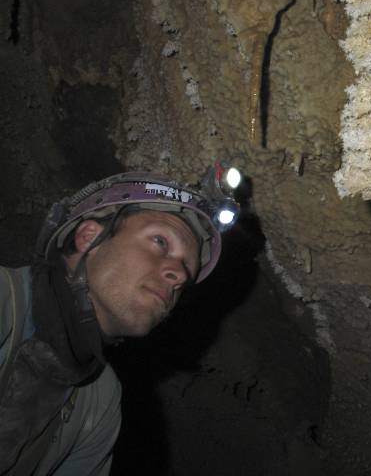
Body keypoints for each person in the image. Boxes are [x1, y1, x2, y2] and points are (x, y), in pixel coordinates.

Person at [0, 166, 239, 475]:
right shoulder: (5, 300)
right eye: (160, 242)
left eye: (188, 270)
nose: (179, 275)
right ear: (90, 236)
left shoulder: (99, 402)